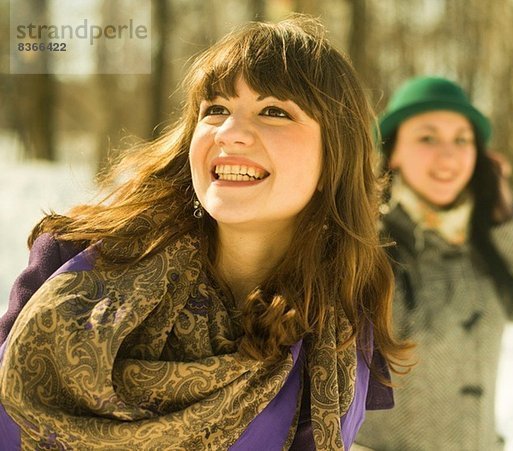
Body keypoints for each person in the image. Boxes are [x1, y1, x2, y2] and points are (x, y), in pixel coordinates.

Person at [0, 16, 413, 450]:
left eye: (274, 112)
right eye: (215, 109)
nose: (230, 133)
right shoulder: (74, 261)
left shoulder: (342, 325)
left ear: (335, 158)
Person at [353, 76, 513, 450]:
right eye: (427, 138)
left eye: (462, 139)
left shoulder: (491, 245)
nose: (449, 155)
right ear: (393, 152)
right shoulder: (365, 244)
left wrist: (508, 219)